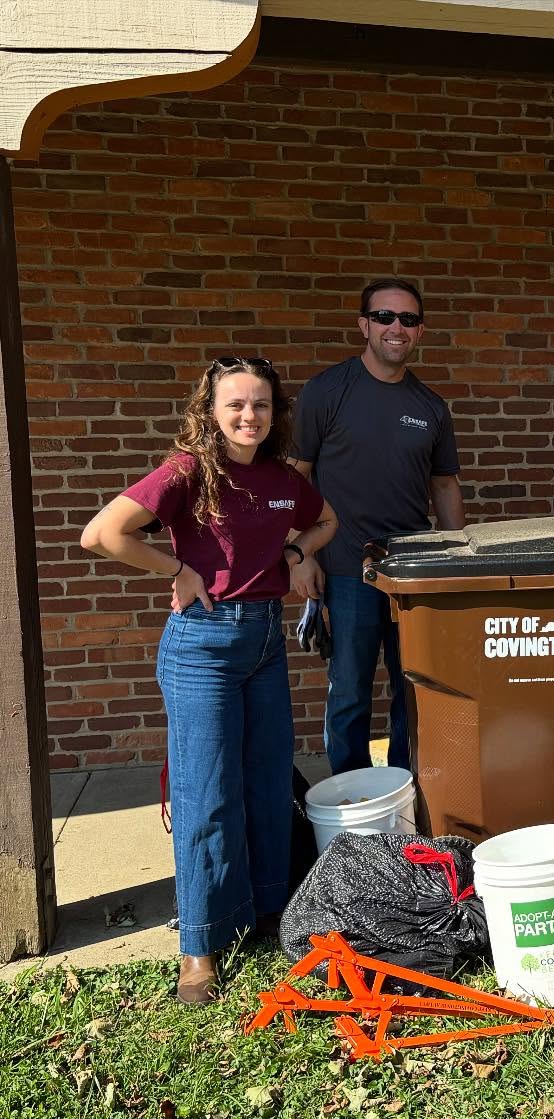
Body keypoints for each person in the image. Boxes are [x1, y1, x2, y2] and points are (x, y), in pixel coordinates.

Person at [81, 357, 337, 1003]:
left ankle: (267, 908)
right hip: (203, 648)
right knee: (206, 796)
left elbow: (324, 520)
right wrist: (175, 567)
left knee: (265, 779)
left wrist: (294, 551)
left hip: (264, 642)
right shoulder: (188, 472)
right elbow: (102, 534)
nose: (249, 416)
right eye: (235, 405)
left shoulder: (280, 477)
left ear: (275, 413)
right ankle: (199, 946)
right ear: (211, 410)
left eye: (260, 404)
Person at [289, 279, 464, 775]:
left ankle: (408, 788)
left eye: (408, 320)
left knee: (416, 686)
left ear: (420, 332)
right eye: (385, 317)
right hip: (345, 570)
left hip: (413, 572)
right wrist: (299, 555)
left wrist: (461, 563)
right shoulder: (327, 391)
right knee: (349, 692)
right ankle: (350, 799)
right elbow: (294, 479)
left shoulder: (430, 407)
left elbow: (445, 487)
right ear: (364, 325)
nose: (396, 328)